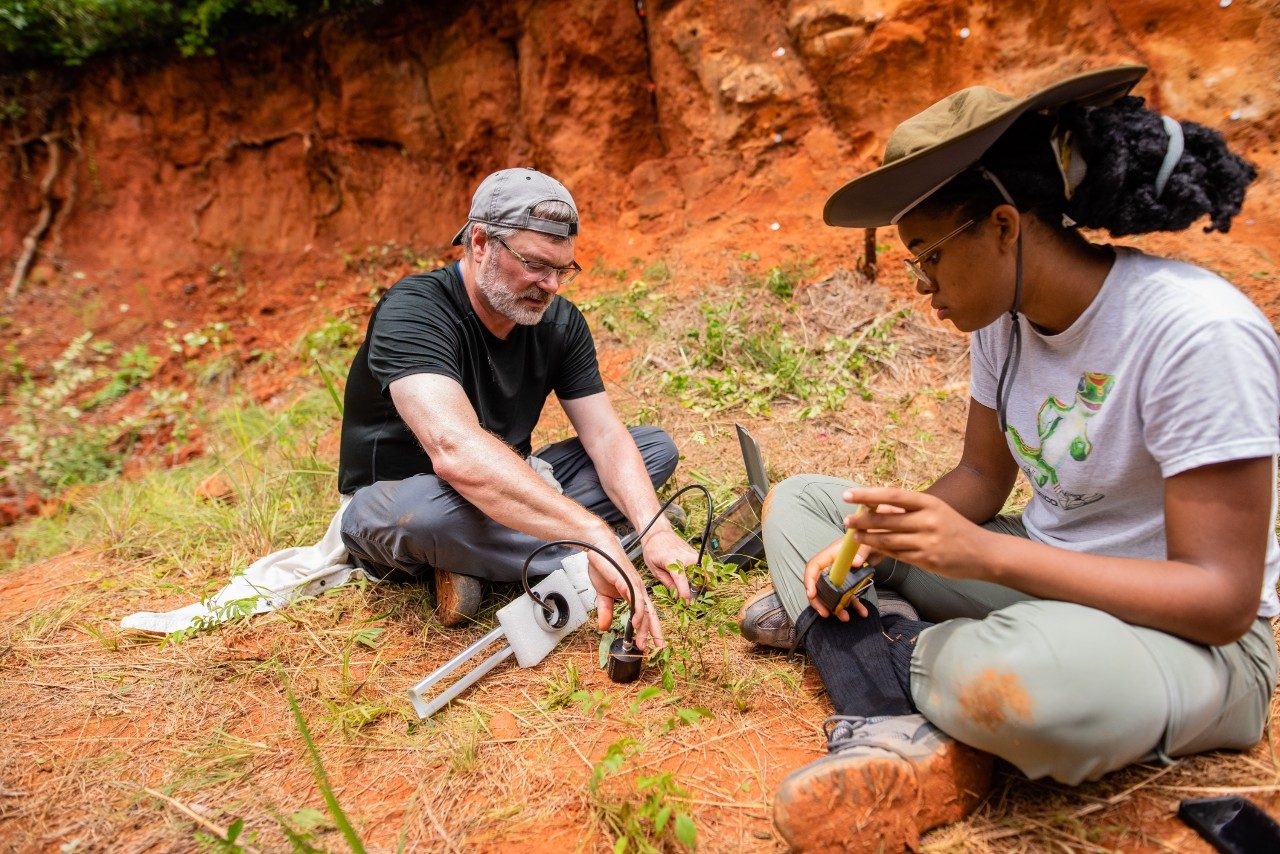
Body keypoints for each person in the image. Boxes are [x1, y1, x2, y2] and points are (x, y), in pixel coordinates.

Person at [739, 65, 1280, 851]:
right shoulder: (1007, 319)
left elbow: (1222, 599)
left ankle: (868, 661)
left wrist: (984, 555)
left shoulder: (1196, 335)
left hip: (1195, 643)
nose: (922, 285)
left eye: (929, 255)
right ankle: (914, 703)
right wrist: (882, 534)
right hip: (1049, 576)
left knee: (1019, 685)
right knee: (805, 505)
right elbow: (982, 478)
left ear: (1002, 225)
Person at [338, 167, 697, 649]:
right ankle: (586, 558)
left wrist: (654, 526)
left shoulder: (559, 322)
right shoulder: (415, 309)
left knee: (653, 448)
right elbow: (455, 449)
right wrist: (590, 530)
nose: (550, 285)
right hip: (405, 500)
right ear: (481, 241)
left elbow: (606, 436)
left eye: (562, 270)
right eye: (534, 265)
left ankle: (482, 563)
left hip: (505, 486)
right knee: (424, 518)